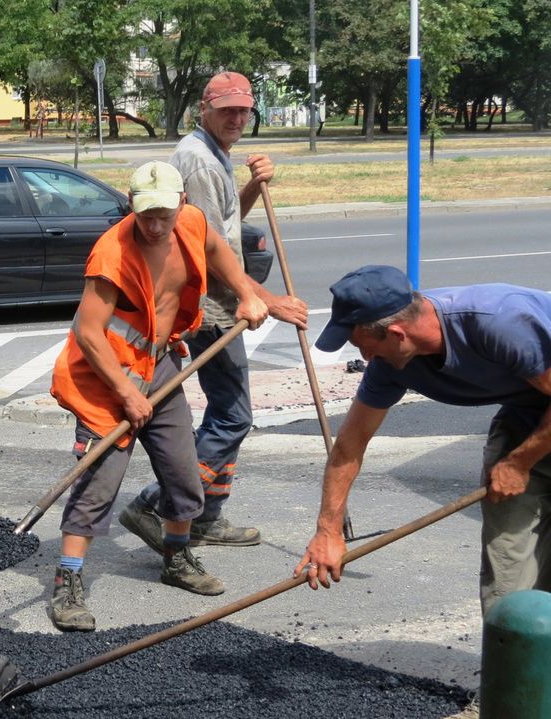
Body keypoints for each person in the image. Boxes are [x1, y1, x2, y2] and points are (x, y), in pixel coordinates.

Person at [294, 265, 551, 718]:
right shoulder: (394, 365)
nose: (364, 359)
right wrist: (327, 530)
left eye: (364, 346)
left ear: (396, 332)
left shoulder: (498, 322)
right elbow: (348, 448)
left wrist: (519, 462)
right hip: (530, 416)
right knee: (509, 569)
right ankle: (508, 698)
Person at [45, 161, 268, 632]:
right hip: (106, 376)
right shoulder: (112, 255)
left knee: (183, 469)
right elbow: (87, 333)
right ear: (131, 204)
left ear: (181, 204)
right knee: (98, 478)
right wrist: (126, 393)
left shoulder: (191, 223)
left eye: (163, 214)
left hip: (158, 364)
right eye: (145, 214)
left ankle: (176, 558)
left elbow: (219, 250)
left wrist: (247, 293)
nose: (154, 224)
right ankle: (68, 583)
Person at [122, 71, 308, 551]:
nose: (237, 117)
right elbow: (205, 250)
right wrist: (265, 299)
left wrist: (250, 185)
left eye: (244, 109)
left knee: (228, 414)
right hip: (209, 308)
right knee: (233, 418)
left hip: (223, 303)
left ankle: (206, 515)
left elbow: (221, 226)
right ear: (204, 109)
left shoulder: (214, 156)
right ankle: (158, 501)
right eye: (227, 109)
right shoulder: (200, 162)